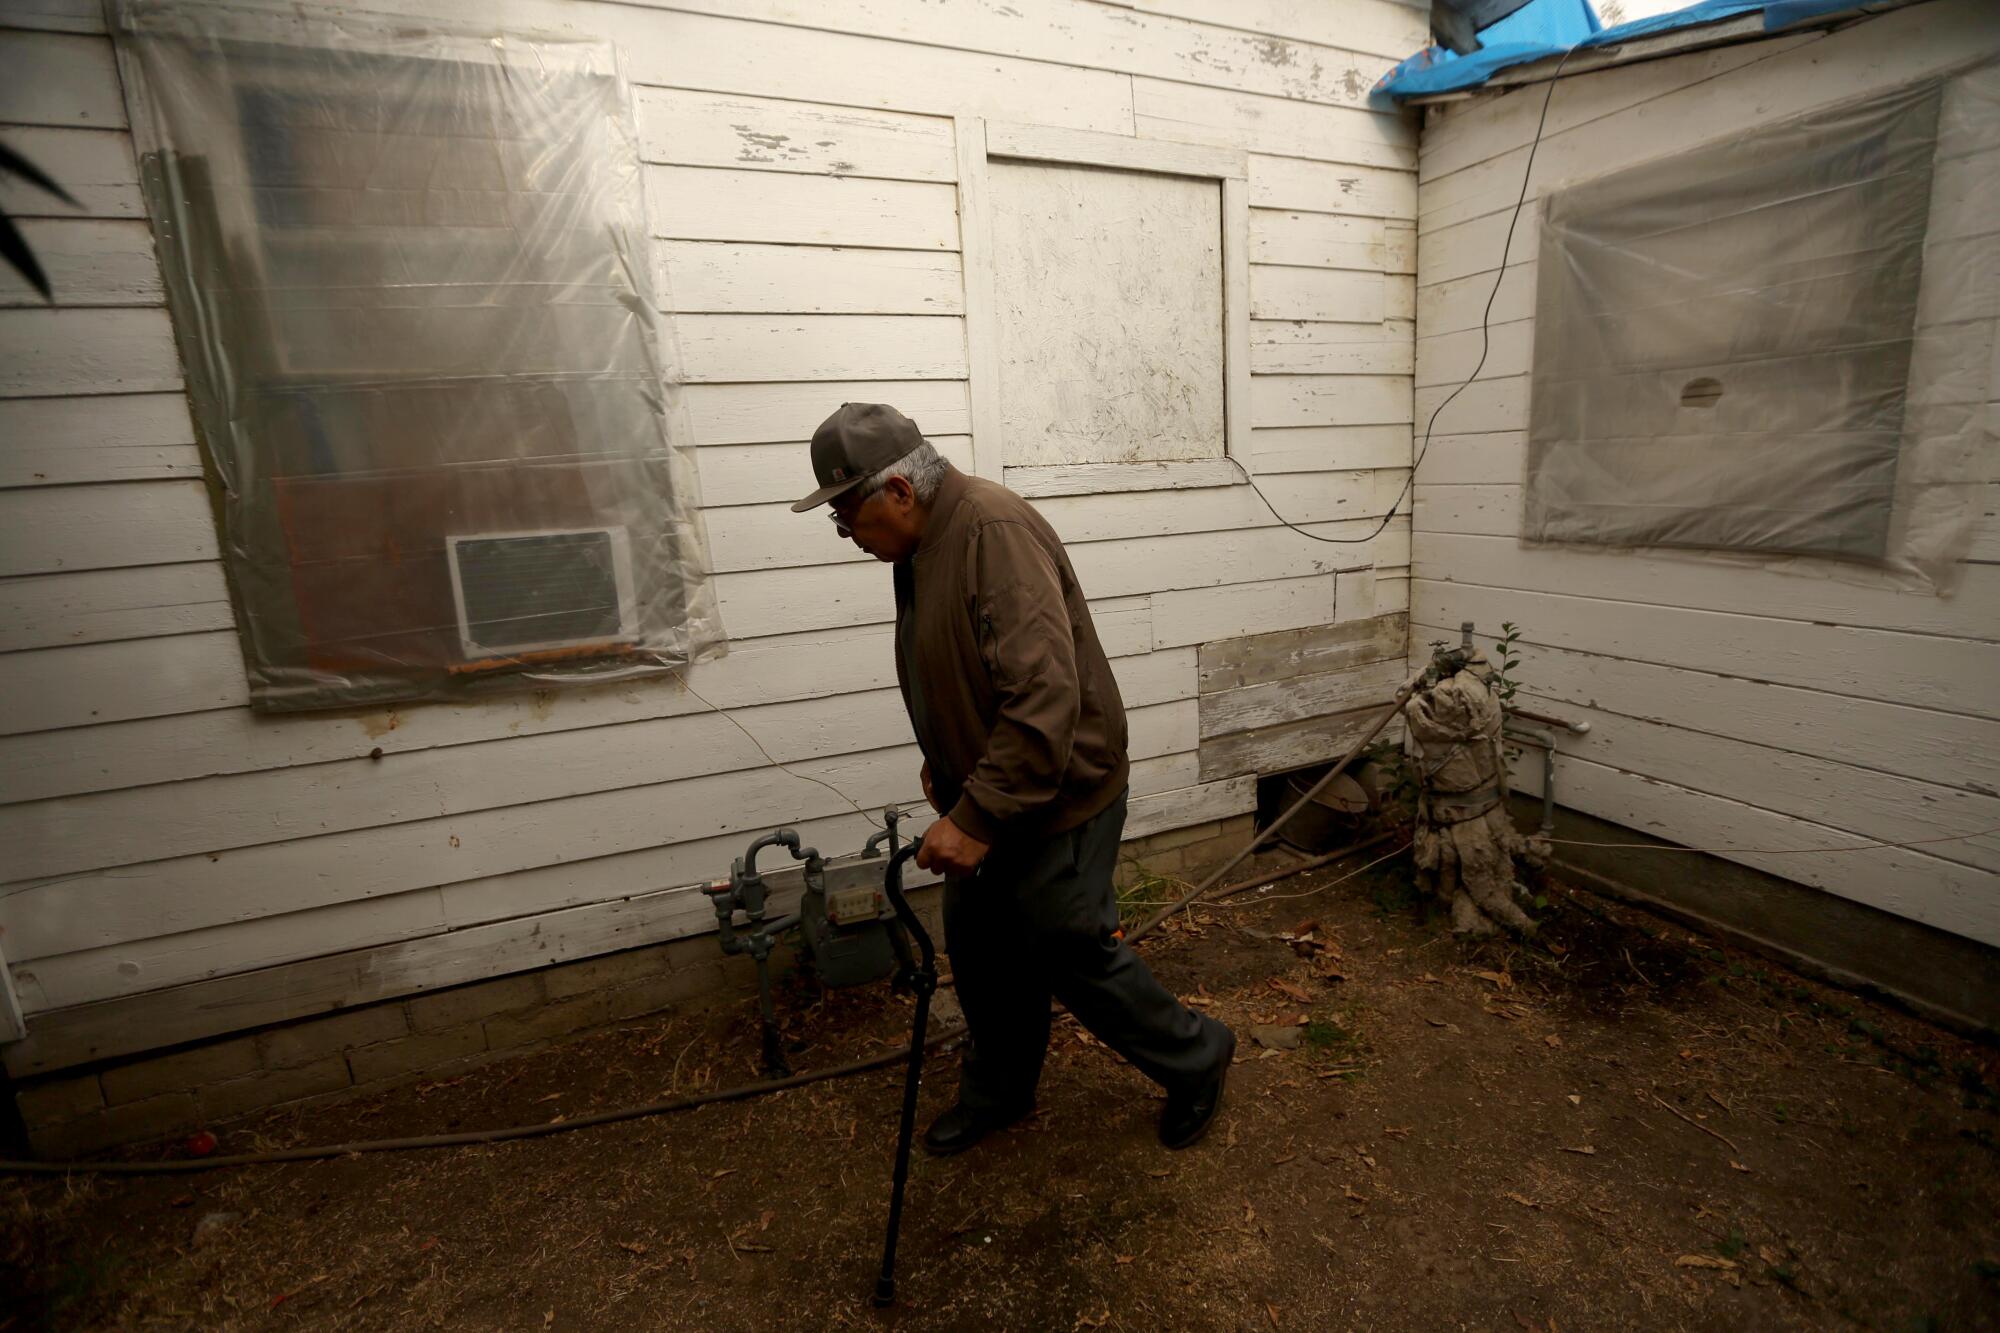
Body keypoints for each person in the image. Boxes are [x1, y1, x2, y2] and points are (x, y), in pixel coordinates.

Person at [792, 402, 1236, 1155]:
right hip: (994, 789)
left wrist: (974, 818)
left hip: (1060, 789)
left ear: (899, 490)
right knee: (983, 946)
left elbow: (1041, 697)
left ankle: (1198, 1056)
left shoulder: (991, 534)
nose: (846, 535)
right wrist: (949, 761)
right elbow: (965, 663)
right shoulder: (921, 544)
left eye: (847, 517)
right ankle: (1000, 1089)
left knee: (1068, 945)